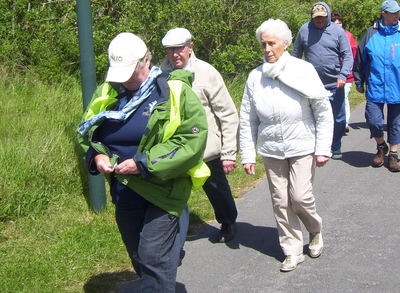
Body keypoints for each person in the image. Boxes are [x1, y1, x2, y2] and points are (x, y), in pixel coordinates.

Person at [77, 32, 208, 292]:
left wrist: (143, 163)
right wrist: (97, 156)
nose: (124, 79)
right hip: (125, 192)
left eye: (130, 72)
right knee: (139, 259)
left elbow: (190, 141)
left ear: (146, 61)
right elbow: (86, 133)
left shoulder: (174, 90)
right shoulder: (107, 90)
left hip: (163, 190)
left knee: (154, 260)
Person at [239, 19, 333, 272]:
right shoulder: (255, 77)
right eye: (263, 44)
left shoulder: (303, 69)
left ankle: (314, 230)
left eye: (272, 43)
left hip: (303, 144)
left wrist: (323, 148)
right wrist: (247, 155)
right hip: (271, 149)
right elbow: (248, 118)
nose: (267, 49)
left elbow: (322, 110)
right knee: (280, 200)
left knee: (300, 197)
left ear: (285, 44)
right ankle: (292, 249)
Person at [160, 27, 239, 244]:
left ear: (190, 48)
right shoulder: (161, 75)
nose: (174, 54)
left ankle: (228, 222)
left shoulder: (207, 72)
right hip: (175, 147)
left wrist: (229, 153)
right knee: (173, 192)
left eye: (178, 49)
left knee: (216, 187)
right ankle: (174, 234)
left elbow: (228, 113)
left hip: (206, 147)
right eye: (169, 50)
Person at [354, 0, 400, 172]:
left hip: (399, 87)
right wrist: (358, 81)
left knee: (395, 123)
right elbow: (360, 59)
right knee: (373, 120)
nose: (397, 16)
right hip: (375, 86)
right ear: (383, 14)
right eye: (393, 13)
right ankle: (381, 146)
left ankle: (393, 156)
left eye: (398, 13)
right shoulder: (371, 34)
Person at [292, 2, 352, 159]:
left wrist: (342, 75)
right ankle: (317, 146)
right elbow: (296, 55)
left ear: (328, 16)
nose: (319, 20)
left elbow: (348, 55)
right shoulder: (304, 30)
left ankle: (335, 145)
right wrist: (293, 76)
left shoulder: (337, 31)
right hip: (312, 84)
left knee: (338, 117)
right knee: (313, 117)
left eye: (323, 18)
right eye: (316, 18)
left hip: (334, 83)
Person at [330, 12, 358, 134]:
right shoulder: (327, 36)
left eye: (340, 22)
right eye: (335, 23)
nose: (338, 25)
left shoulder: (348, 36)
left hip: (347, 74)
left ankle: (344, 123)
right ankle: (333, 123)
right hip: (332, 74)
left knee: (344, 97)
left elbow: (353, 54)